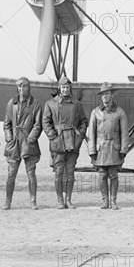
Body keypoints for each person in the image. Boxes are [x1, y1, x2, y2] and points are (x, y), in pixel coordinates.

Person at [43, 76, 88, 209]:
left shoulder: (77, 104)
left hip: (73, 142)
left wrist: (79, 138)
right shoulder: (50, 103)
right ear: (59, 88)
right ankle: (59, 200)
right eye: (63, 87)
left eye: (67, 87)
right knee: (58, 172)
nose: (65, 89)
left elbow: (83, 121)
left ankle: (68, 199)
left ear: (70, 88)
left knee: (70, 172)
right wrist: (53, 137)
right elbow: (46, 122)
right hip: (58, 142)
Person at [3, 77, 43, 210]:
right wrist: (9, 138)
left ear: (28, 88)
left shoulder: (35, 104)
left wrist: (31, 138)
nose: (21, 89)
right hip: (14, 143)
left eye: (24, 87)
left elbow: (38, 124)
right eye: (19, 87)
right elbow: (7, 123)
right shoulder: (11, 104)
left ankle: (33, 201)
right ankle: (8, 201)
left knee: (31, 173)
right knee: (11, 173)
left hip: (28, 143)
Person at [88, 83, 130, 210]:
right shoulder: (95, 112)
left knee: (113, 175)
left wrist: (123, 149)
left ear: (112, 95)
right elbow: (91, 133)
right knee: (102, 176)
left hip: (114, 149)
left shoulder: (120, 112)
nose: (104, 97)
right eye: (102, 94)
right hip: (100, 149)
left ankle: (114, 201)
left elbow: (124, 133)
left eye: (107, 93)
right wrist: (92, 150)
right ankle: (105, 201)